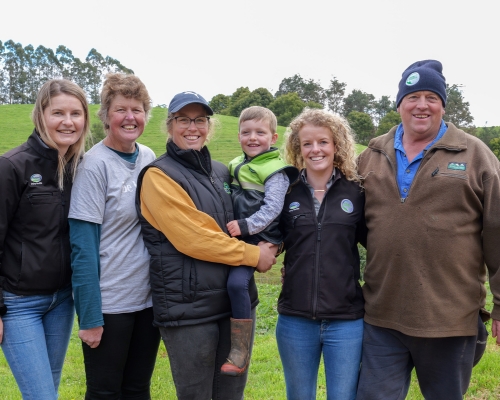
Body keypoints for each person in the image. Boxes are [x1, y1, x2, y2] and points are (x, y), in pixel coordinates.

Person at [356, 60, 500, 400]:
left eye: (431, 97)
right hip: (381, 316)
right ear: (399, 104)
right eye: (413, 96)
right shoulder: (371, 155)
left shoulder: (474, 154)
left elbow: (497, 232)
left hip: (450, 319)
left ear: (443, 105)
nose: (422, 105)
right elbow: (349, 225)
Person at [136, 91, 277, 399]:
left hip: (235, 305)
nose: (192, 127)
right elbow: (193, 238)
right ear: (170, 126)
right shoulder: (158, 176)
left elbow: (255, 214)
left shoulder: (222, 172)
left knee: (231, 393)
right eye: (183, 120)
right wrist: (254, 255)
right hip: (189, 310)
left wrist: (274, 242)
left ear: (209, 126)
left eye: (200, 120)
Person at [69, 73, 160, 399]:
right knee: (105, 392)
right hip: (110, 305)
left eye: (137, 110)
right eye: (121, 109)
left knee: (138, 389)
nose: (130, 117)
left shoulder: (149, 158)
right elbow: (83, 247)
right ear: (106, 115)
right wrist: (90, 316)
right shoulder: (94, 166)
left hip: (148, 303)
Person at [0, 79, 90, 399]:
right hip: (18, 305)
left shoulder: (81, 167)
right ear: (41, 115)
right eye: (58, 113)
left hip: (62, 301)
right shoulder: (12, 166)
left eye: (76, 113)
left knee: (48, 389)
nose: (68, 122)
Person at [276, 108, 367, 400]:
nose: (315, 149)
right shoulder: (285, 192)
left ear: (336, 145)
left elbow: (378, 243)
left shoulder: (357, 191)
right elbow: (269, 238)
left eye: (323, 142)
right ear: (298, 149)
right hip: (295, 319)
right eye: (307, 143)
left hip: (346, 320)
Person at [220, 106, 298, 376]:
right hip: (238, 235)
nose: (253, 138)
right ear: (238, 135)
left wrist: (245, 226)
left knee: (236, 283)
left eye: (260, 133)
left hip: (259, 237)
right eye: (246, 132)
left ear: (273, 138)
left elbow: (272, 208)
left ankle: (241, 350)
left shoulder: (275, 170)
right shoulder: (234, 165)